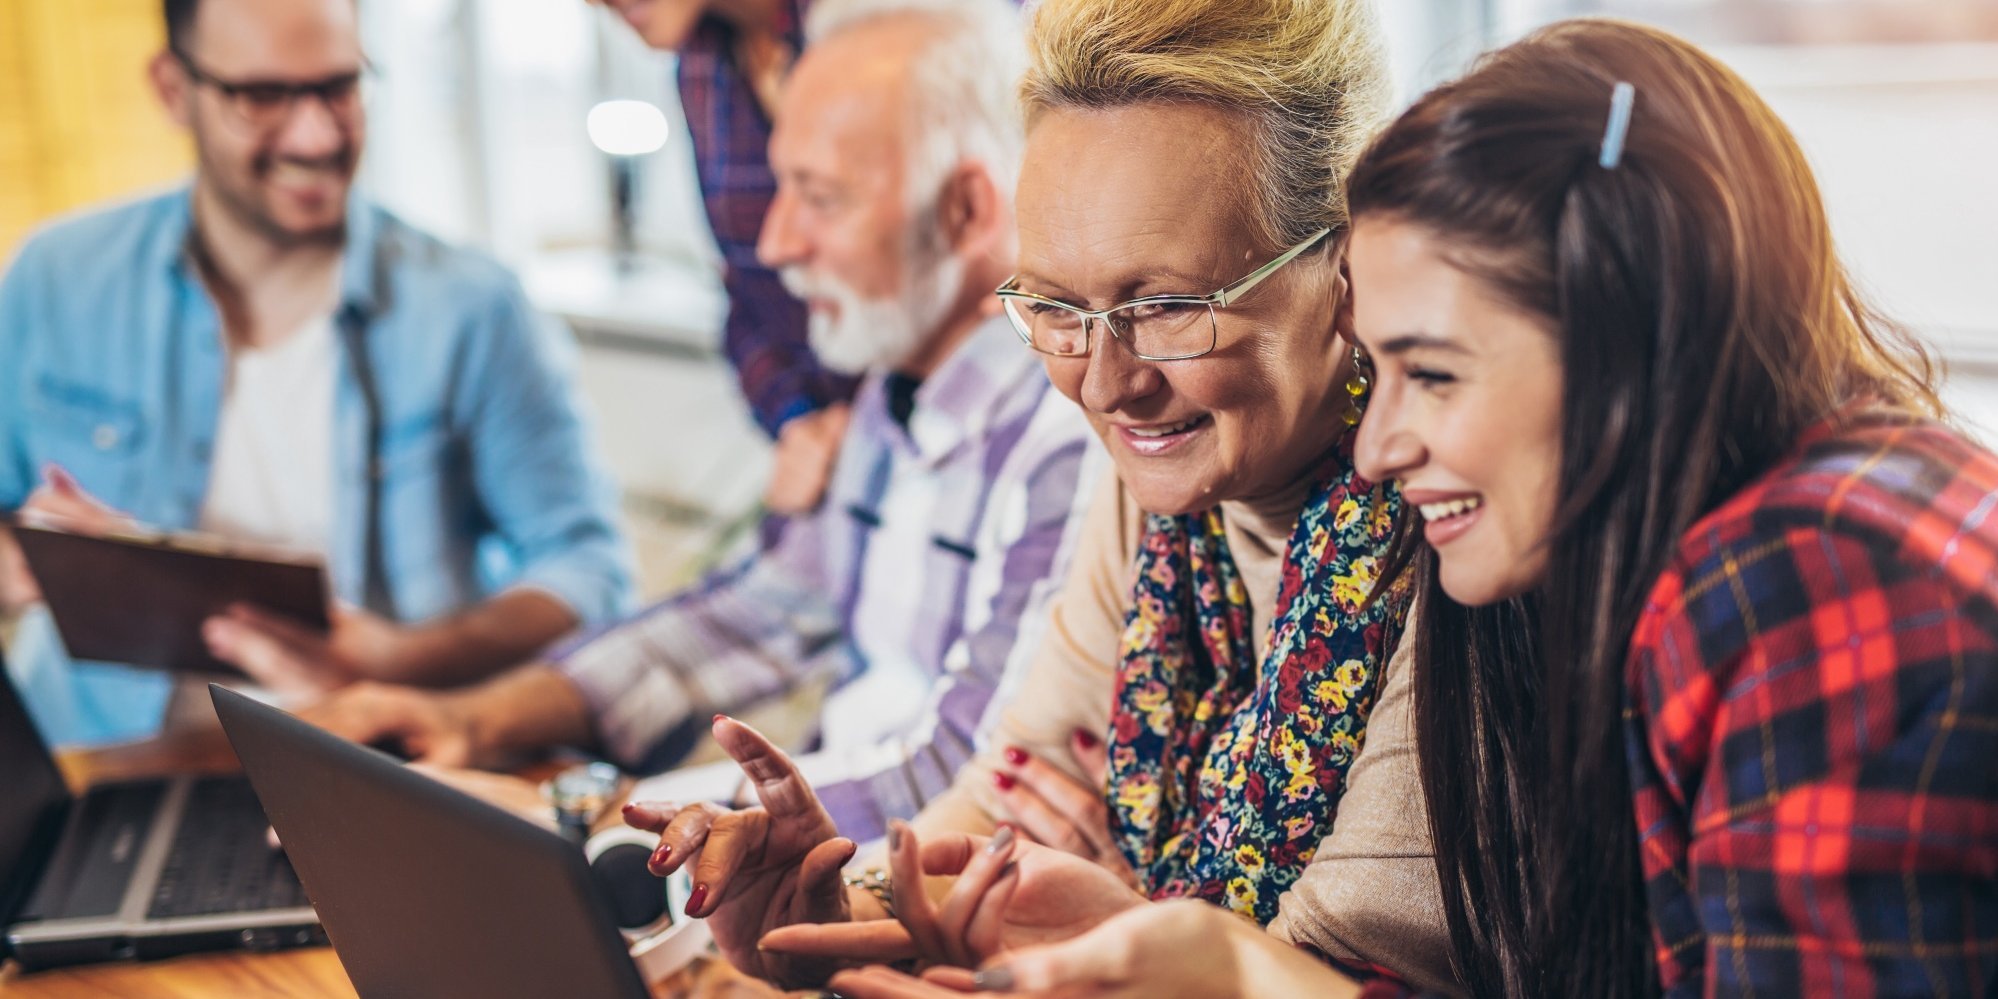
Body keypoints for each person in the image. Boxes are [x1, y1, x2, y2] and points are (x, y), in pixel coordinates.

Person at [830, 16, 1998, 999]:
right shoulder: (1681, 572)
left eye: (1430, 373)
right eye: (1056, 309)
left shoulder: (1813, 570)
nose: (1378, 450)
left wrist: (1243, 979)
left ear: (1630, 345)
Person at [623, 0, 1461, 992]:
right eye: (1056, 307)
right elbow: (1020, 789)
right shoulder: (1155, 487)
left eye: (1167, 308)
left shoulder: (1459, 523)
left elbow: (1343, 963)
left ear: (1348, 264)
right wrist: (841, 907)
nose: (1105, 386)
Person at [304, 0, 1098, 847]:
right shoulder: (886, 396)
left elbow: (959, 775)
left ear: (969, 211)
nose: (778, 243)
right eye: (778, 185)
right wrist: (469, 718)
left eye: (818, 197)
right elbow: (750, 618)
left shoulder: (1069, 446)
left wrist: (594, 827)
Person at [0, 0, 633, 747]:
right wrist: (26, 563)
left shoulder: (474, 307)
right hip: (102, 762)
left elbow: (591, 571)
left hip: (369, 766)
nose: (318, 135)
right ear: (173, 89)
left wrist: (402, 661)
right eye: (263, 96)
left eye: (340, 86)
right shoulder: (55, 280)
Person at [588, 0, 860, 515]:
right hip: (826, 469)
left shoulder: (886, 28)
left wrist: (877, 421)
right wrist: (795, 419)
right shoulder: (701, 64)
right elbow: (746, 293)